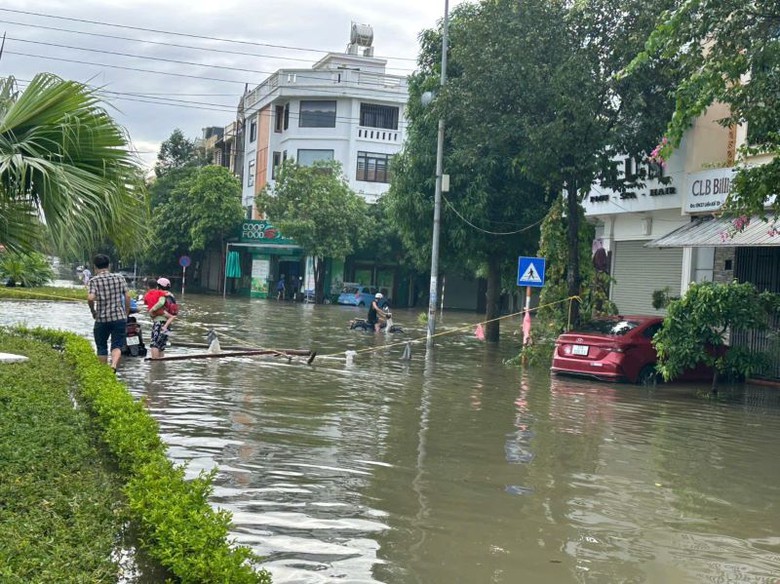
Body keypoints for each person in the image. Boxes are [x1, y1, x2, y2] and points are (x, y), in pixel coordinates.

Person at [87, 254, 131, 372]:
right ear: (109, 265)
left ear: (95, 267)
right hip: (119, 318)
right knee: (116, 345)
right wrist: (125, 313)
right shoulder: (119, 278)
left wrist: (93, 312)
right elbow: (127, 296)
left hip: (102, 319)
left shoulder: (93, 281)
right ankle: (113, 365)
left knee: (101, 346)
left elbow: (90, 298)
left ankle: (103, 372)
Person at [143, 277, 176, 359]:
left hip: (159, 322)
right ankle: (160, 368)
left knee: (154, 344)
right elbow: (174, 311)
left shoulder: (159, 294)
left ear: (158, 286)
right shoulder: (171, 296)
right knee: (161, 346)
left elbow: (152, 305)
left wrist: (151, 310)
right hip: (168, 324)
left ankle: (154, 368)